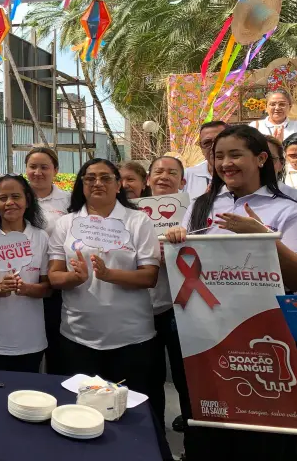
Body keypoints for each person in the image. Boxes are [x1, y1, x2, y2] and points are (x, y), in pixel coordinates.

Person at [166, 125, 297, 461]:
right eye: (219, 156)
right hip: (211, 335)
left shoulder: (292, 206)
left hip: (273, 335)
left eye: (235, 154)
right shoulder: (202, 204)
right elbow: (192, 264)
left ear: (262, 158)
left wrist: (263, 237)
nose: (225, 163)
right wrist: (178, 239)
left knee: (272, 434)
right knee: (211, 423)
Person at [48, 159, 160, 398]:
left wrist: (110, 275)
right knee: (82, 410)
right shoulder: (66, 223)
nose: (97, 183)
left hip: (130, 337)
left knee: (134, 410)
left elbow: (150, 276)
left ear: (118, 185)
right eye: (90, 178)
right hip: (78, 336)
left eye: (106, 178)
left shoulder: (138, 221)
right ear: (82, 184)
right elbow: (54, 277)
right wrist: (74, 278)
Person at [0, 175, 50, 372]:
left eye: (16, 196)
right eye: (2, 198)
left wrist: (28, 288)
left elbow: (48, 288)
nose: (9, 203)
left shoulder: (40, 237)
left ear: (27, 200)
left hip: (30, 340)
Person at [144, 156, 190, 436]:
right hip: (141, 310)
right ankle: (154, 440)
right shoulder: (132, 213)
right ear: (148, 179)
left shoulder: (194, 213)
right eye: (158, 172)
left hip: (183, 307)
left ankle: (194, 445)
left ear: (183, 182)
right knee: (149, 380)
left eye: (172, 173)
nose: (164, 176)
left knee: (187, 379)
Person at [25, 146, 69, 374]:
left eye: (44, 167)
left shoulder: (68, 200)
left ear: (55, 170)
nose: (38, 172)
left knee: (56, 345)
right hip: (22, 282)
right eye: (33, 167)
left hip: (53, 281)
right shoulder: (17, 196)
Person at [183, 121, 227, 201]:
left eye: (219, 141)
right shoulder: (186, 176)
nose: (213, 147)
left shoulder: (245, 176)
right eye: (207, 143)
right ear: (201, 148)